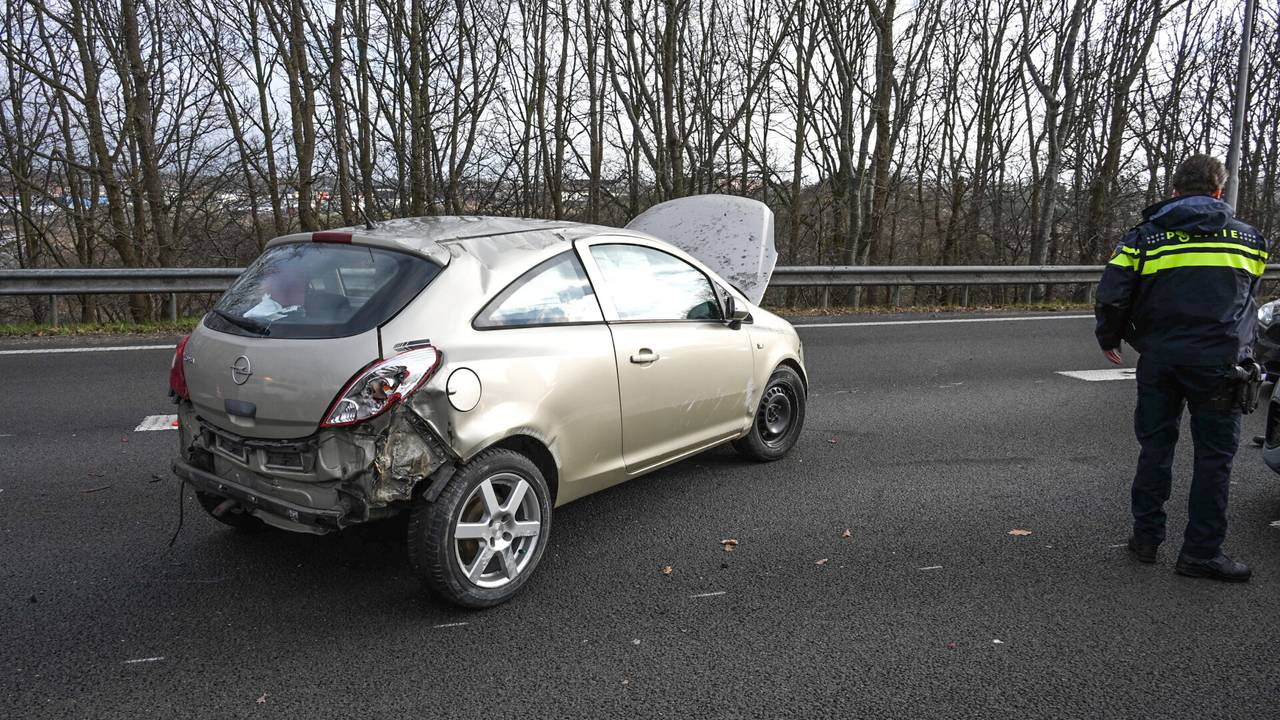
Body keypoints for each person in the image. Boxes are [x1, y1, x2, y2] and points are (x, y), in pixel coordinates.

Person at [1095, 154, 1268, 583]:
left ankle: (1146, 540)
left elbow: (1112, 294)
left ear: (1174, 190)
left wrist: (1111, 337)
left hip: (1161, 358)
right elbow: (1248, 297)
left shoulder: (1143, 239)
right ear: (1218, 190)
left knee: (1155, 449)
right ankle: (1201, 553)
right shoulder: (1250, 240)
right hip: (1221, 364)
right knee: (1214, 460)